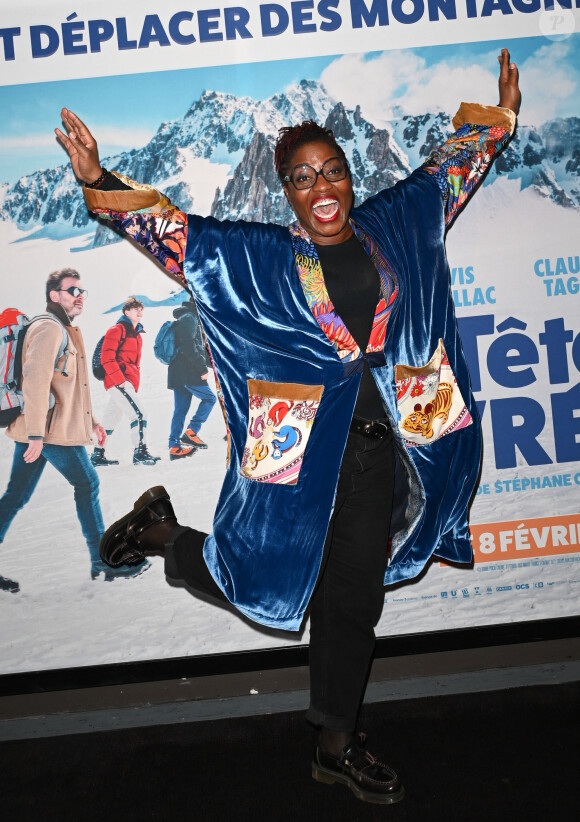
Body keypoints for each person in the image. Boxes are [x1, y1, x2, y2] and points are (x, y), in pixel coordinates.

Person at [56, 50, 521, 803]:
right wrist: (97, 180)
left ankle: (335, 746)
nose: (321, 187)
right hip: (302, 452)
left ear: (348, 174)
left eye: (331, 169)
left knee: (351, 605)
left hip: (385, 450)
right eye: (303, 177)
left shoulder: (394, 222)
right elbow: (176, 236)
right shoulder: (261, 256)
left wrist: (497, 121)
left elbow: (445, 176)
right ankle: (161, 535)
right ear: (288, 192)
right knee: (264, 586)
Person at [0, 269, 151, 586]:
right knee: (88, 484)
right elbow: (36, 382)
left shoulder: (64, 329)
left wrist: (93, 420)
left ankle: (102, 560)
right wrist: (37, 435)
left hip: (44, 428)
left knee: (16, 496)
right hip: (49, 431)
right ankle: (103, 561)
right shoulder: (48, 329)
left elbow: (70, 387)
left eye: (82, 290)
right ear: (54, 295)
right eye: (72, 290)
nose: (80, 294)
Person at [91, 296, 161, 467]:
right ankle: (140, 452)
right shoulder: (117, 329)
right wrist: (120, 380)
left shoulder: (137, 335)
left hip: (126, 381)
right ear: (126, 311)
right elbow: (107, 357)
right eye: (135, 308)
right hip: (119, 381)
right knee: (139, 414)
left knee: (110, 419)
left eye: (140, 309)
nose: (139, 311)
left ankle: (97, 454)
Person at [167, 299, 217, 460]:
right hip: (188, 371)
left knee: (180, 410)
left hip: (179, 372)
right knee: (209, 398)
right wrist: (202, 368)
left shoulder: (188, 317)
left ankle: (174, 447)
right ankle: (191, 431)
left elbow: (199, 349)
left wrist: (214, 365)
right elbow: (189, 345)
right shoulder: (190, 318)